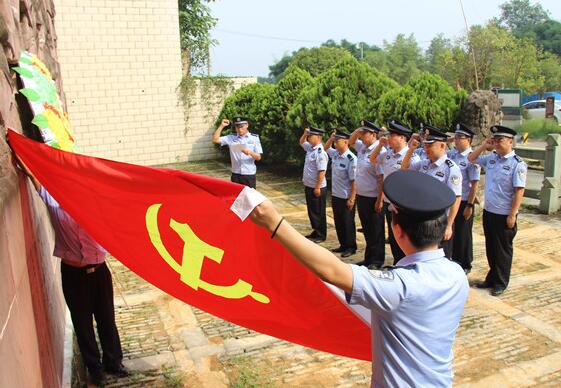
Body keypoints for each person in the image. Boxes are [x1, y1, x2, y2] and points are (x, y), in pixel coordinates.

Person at [249, 169, 469, 387]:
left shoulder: (400, 288)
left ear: (397, 231)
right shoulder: (457, 275)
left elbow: (332, 271)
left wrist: (274, 223)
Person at [12, 154, 128, 387]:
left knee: (107, 318)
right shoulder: (55, 203)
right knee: (82, 323)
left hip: (99, 271)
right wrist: (18, 150)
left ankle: (114, 361)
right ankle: (95, 369)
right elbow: (34, 176)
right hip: (74, 275)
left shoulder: (98, 206)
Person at [468, 125, 527, 296]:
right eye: (495, 140)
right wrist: (483, 146)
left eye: (500, 140)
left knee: (503, 250)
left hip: (504, 214)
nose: (497, 143)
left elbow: (519, 191)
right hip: (490, 211)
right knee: (491, 247)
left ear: (510, 142)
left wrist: (512, 214)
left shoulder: (517, 164)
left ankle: (501, 282)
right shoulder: (492, 158)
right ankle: (492, 278)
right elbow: (471, 158)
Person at [401, 124, 462, 259]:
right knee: (424, 255)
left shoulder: (451, 169)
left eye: (430, 145)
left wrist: (449, 225)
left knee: (441, 257)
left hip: (440, 221)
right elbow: (404, 169)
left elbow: (456, 198)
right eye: (425, 145)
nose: (426, 148)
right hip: (423, 218)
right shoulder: (424, 164)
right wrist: (411, 150)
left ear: (442, 146)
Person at [369, 120, 420, 264]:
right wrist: (380, 144)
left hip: (403, 204)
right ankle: (397, 263)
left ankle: (406, 264)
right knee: (393, 236)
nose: (389, 137)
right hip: (388, 201)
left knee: (405, 237)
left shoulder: (412, 157)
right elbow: (372, 159)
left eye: (392, 135)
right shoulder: (388, 155)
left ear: (402, 138)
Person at [349, 120, 385, 269]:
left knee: (376, 229)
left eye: (365, 134)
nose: (361, 137)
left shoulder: (379, 151)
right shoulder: (363, 147)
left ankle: (377, 260)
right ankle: (369, 258)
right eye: (361, 133)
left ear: (374, 134)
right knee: (367, 229)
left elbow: (382, 178)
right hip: (362, 196)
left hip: (373, 197)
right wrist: (358, 130)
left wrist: (380, 200)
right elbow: (351, 141)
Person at [447, 123, 481, 274]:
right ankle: (454, 259)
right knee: (452, 231)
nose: (457, 140)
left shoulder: (472, 158)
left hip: (465, 200)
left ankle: (465, 263)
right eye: (456, 137)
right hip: (452, 200)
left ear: (469, 140)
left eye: (461, 137)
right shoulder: (452, 155)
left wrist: (470, 205)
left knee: (463, 233)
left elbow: (475, 184)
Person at [324, 129, 358, 258]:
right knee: (338, 221)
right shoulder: (336, 155)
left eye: (337, 141)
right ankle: (343, 244)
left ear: (345, 142)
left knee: (348, 222)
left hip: (346, 196)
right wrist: (331, 138)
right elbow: (326, 148)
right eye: (335, 141)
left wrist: (352, 198)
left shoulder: (351, 159)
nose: (335, 144)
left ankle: (351, 247)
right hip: (336, 195)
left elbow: (354, 180)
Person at [212, 116, 262, 188]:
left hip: (249, 175)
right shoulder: (231, 138)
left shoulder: (254, 138)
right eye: (237, 127)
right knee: (236, 198)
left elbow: (258, 157)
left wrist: (250, 152)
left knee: (249, 198)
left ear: (247, 125)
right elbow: (215, 140)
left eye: (241, 126)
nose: (239, 129)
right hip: (235, 174)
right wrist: (221, 126)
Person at [299, 126, 328, 242]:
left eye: (311, 136)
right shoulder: (311, 148)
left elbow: (322, 171)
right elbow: (301, 142)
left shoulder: (320, 152)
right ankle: (316, 230)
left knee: (319, 211)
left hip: (317, 187)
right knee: (312, 211)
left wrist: (317, 187)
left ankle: (321, 234)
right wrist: (305, 133)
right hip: (309, 185)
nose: (309, 138)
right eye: (309, 136)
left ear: (318, 137)